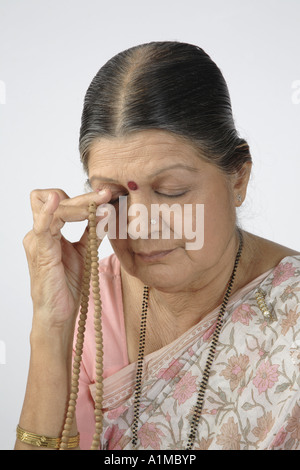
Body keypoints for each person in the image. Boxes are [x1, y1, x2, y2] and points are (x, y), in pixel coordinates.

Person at [15, 41, 300, 451]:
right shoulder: (89, 303)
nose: (139, 225)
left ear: (238, 179)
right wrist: (50, 323)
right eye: (114, 196)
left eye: (171, 191)